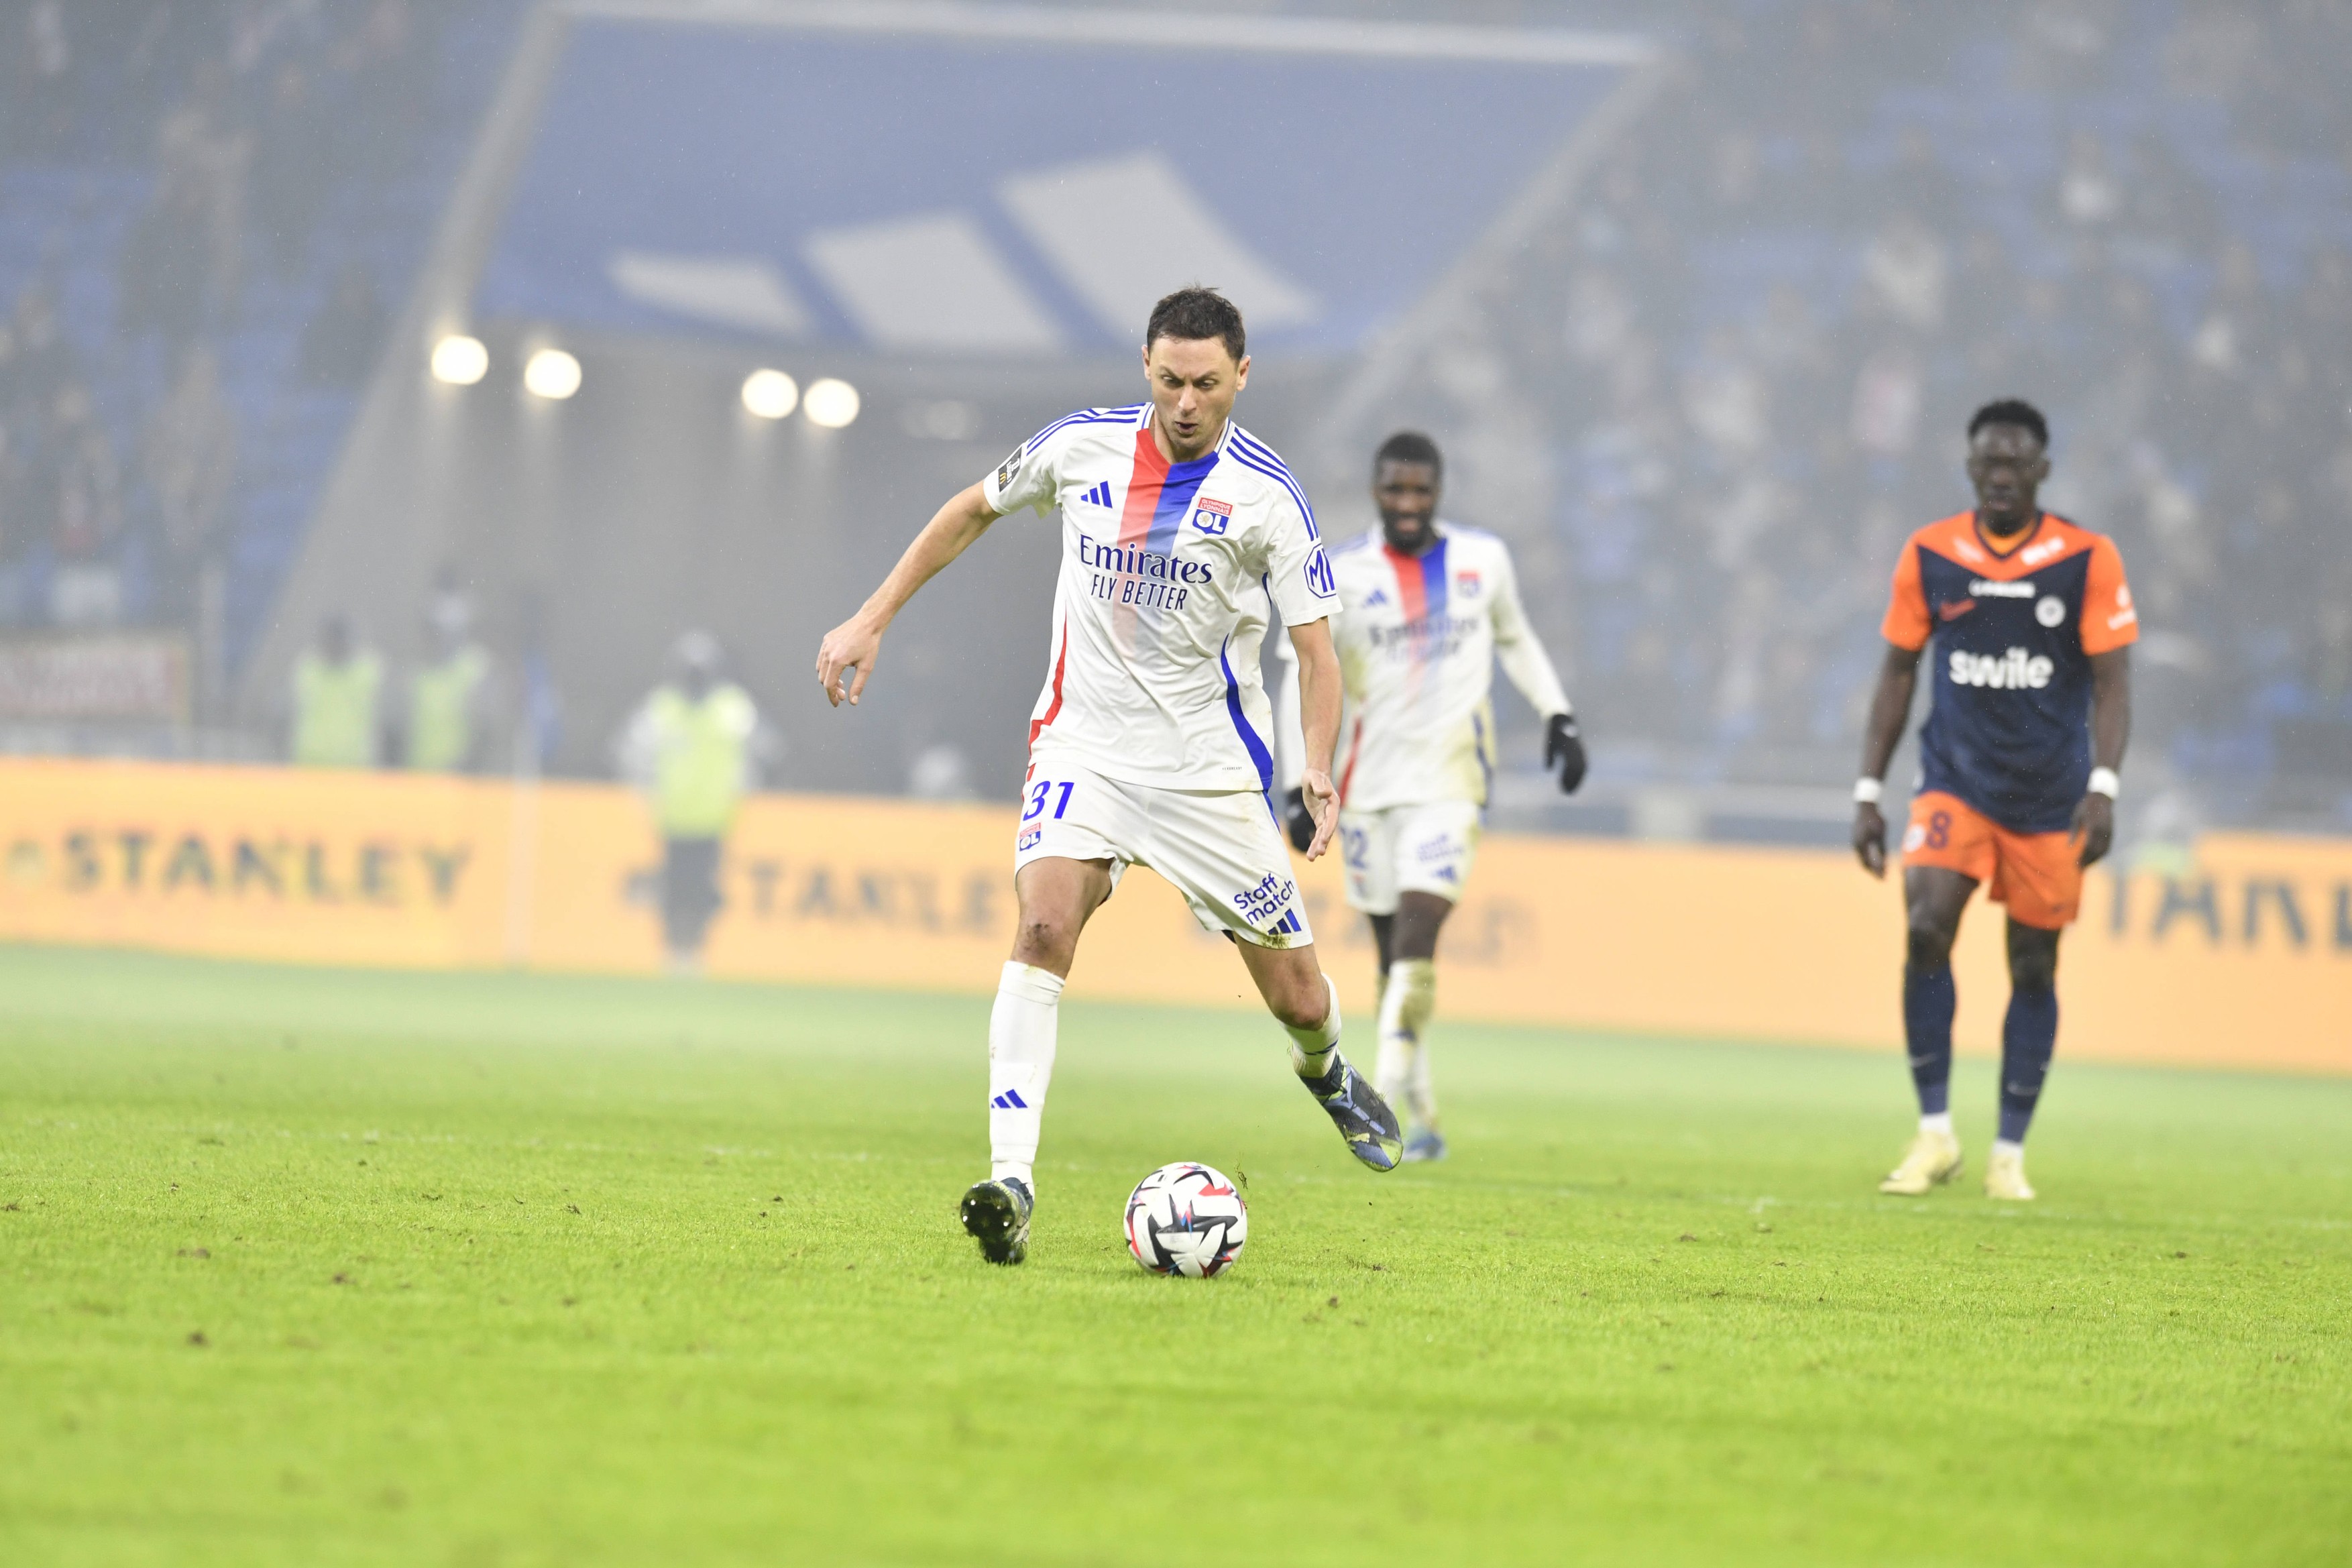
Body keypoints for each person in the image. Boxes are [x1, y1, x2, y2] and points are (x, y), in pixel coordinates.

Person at [814, 286, 1402, 1268]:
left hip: (1208, 774)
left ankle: (1327, 1069)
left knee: (1298, 995)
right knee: (1042, 926)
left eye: (1205, 383)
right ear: (1144, 367)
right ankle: (1011, 1179)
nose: (1184, 402)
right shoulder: (1080, 446)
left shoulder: (1267, 497)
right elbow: (970, 509)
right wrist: (871, 615)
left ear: (1239, 378)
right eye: (1168, 380)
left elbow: (1315, 649)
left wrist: (1316, 771)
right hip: (1082, 746)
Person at [1852, 399, 2136, 1202]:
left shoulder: (2085, 558)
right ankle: (1936, 1132)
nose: (2002, 475)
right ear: (1971, 467)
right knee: (1924, 925)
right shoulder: (1932, 553)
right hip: (1955, 783)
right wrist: (1868, 789)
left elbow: (2114, 684)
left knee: (2033, 966)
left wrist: (2103, 788)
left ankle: (2008, 1149)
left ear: (2043, 470)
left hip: (2049, 800)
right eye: (1989, 463)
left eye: (2017, 463)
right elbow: (1898, 672)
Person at [1284, 431, 1585, 1162]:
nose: (1409, 504)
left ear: (1439, 491)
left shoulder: (1484, 560)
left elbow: (1515, 638)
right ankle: (1424, 1119)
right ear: (1377, 491)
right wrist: (1302, 775)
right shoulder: (1344, 573)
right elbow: (1298, 666)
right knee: (1393, 959)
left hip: (1452, 785)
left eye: (1421, 491)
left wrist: (1558, 714)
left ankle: (1377, 1106)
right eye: (1396, 490)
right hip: (1366, 790)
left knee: (1419, 939)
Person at [618, 632, 763, 974]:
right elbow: (632, 753)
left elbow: (761, 752)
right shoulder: (662, 708)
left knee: (705, 890)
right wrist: (642, 796)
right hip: (673, 817)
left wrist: (745, 792)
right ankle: (672, 952)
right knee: (673, 889)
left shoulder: (733, 708)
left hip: (714, 818)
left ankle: (696, 951)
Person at [403, 575, 494, 773]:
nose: (433, 638)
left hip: (458, 782)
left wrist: (468, 768)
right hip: (419, 778)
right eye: (429, 630)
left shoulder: (475, 669)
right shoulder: (419, 674)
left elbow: (485, 731)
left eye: (439, 631)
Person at [289, 612, 384, 768]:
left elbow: (385, 724)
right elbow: (288, 717)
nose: (332, 646)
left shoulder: (369, 672)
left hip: (354, 770)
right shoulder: (307, 670)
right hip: (309, 766)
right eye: (328, 640)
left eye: (337, 640)